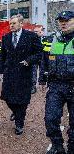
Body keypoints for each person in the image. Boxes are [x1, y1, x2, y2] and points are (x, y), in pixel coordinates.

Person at [0, 14, 43, 135]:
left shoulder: (31, 36)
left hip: (24, 73)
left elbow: (39, 53)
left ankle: (19, 124)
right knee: (7, 98)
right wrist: (1, 69)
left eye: (13, 23)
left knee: (22, 101)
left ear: (21, 24)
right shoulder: (6, 37)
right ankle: (16, 112)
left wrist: (29, 60)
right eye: (10, 23)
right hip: (9, 73)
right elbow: (3, 55)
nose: (11, 25)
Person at [44, 11, 74, 154]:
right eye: (61, 20)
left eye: (67, 20)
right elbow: (46, 59)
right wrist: (44, 77)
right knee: (50, 118)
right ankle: (57, 146)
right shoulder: (54, 39)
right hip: (56, 85)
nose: (63, 23)